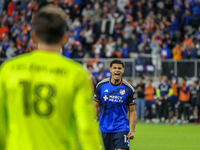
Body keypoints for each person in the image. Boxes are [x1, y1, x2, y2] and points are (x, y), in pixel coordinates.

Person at [0, 5, 104, 150]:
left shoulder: (8, 69)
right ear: (64, 38)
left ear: (34, 36)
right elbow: (86, 128)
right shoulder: (77, 74)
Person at [93, 59, 137, 150]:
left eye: (119, 68)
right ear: (110, 69)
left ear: (123, 70)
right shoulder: (101, 86)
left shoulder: (129, 89)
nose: (117, 70)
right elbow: (94, 107)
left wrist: (132, 130)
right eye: (115, 68)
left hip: (121, 126)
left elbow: (132, 111)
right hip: (104, 127)